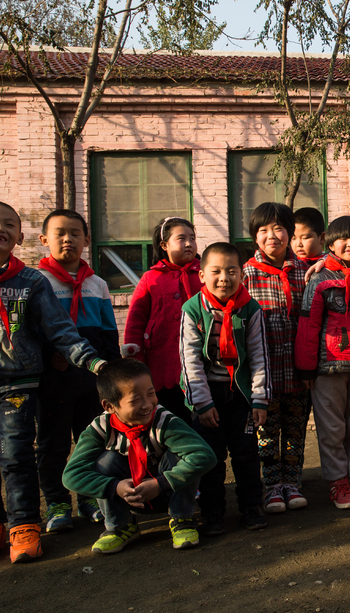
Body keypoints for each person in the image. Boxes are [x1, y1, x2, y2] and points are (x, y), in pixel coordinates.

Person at [0, 201, 108, 563]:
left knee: (16, 455)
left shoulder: (30, 282)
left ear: (19, 237)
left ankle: (24, 524)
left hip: (18, 383)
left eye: (8, 224)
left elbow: (61, 331)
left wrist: (97, 362)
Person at [61, 359, 216, 554]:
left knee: (182, 454)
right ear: (109, 406)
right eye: (135, 400)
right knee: (104, 461)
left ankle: (182, 518)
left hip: (166, 493)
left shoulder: (164, 421)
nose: (147, 404)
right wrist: (115, 487)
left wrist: (161, 483)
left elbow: (204, 455)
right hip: (128, 497)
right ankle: (120, 525)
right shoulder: (100, 429)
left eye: (151, 393)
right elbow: (71, 475)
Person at [36, 210, 120, 533]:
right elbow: (31, 332)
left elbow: (108, 332)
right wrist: (50, 357)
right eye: (59, 233)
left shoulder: (97, 284)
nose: (68, 239)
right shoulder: (37, 281)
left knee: (92, 440)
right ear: (44, 240)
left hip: (93, 379)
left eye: (75, 233)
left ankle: (88, 497)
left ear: (87, 239)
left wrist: (113, 373)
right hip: (54, 379)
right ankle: (57, 503)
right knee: (52, 443)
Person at [180, 242, 270, 535]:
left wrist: (260, 400)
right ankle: (213, 513)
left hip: (241, 396)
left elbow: (259, 356)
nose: (224, 278)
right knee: (210, 457)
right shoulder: (193, 309)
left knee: (246, 454)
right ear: (202, 275)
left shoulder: (250, 309)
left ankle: (252, 507)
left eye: (232, 271)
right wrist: (202, 405)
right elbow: (189, 360)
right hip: (208, 396)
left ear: (242, 275)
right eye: (216, 271)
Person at [295, 216, 350, 510]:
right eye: (342, 239)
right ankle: (336, 480)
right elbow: (308, 327)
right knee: (331, 428)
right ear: (329, 244)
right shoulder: (318, 280)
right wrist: (306, 367)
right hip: (327, 367)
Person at [243, 202, 311, 514]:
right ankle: (272, 486)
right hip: (264, 374)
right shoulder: (245, 274)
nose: (272, 235)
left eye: (279, 228)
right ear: (255, 238)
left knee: (296, 429)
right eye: (263, 230)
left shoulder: (305, 272)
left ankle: (292, 482)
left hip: (298, 371)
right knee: (267, 433)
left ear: (290, 233)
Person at [123, 217, 202, 423]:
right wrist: (136, 363)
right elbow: (136, 321)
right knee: (168, 421)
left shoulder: (204, 274)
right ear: (164, 245)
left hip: (201, 363)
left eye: (192, 238)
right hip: (161, 365)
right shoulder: (151, 278)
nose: (188, 243)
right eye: (181, 238)